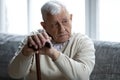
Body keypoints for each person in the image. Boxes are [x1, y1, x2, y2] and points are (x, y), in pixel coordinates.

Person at [8, 1, 95, 80]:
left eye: (65, 21)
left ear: (71, 18)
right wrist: (25, 54)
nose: (62, 29)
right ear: (44, 26)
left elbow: (83, 76)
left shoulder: (83, 42)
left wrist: (53, 53)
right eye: (54, 24)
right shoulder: (34, 39)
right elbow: (15, 74)